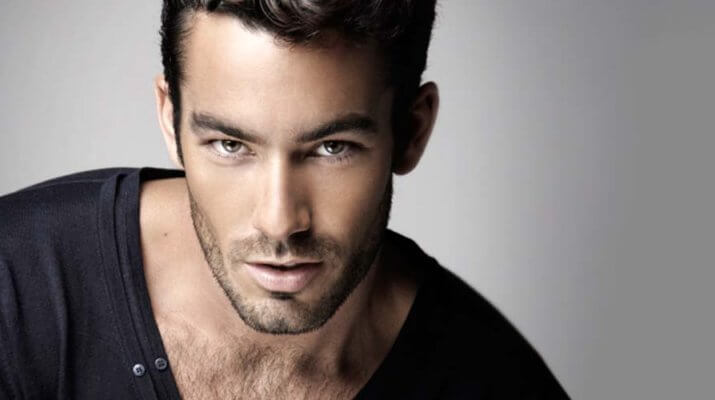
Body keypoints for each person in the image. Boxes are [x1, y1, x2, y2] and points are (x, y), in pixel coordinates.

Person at [0, 1, 569, 398]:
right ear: (171, 120)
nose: (279, 222)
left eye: (332, 148)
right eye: (230, 145)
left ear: (412, 132)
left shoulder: (492, 379)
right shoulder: (19, 284)